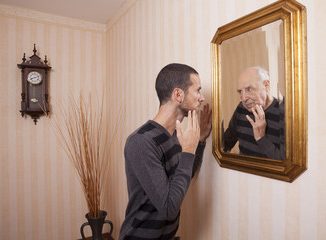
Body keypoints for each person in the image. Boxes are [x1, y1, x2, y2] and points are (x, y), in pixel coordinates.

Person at [119, 63, 212, 240]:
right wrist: (188, 151)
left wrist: (199, 142)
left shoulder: (175, 137)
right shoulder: (141, 141)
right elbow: (169, 208)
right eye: (197, 91)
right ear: (178, 94)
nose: (202, 98)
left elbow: (184, 176)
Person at [222, 66, 285, 160]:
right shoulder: (241, 108)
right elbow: (225, 144)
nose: (243, 98)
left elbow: (286, 164)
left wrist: (261, 138)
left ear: (266, 85)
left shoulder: (283, 112)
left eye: (249, 90)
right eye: (240, 92)